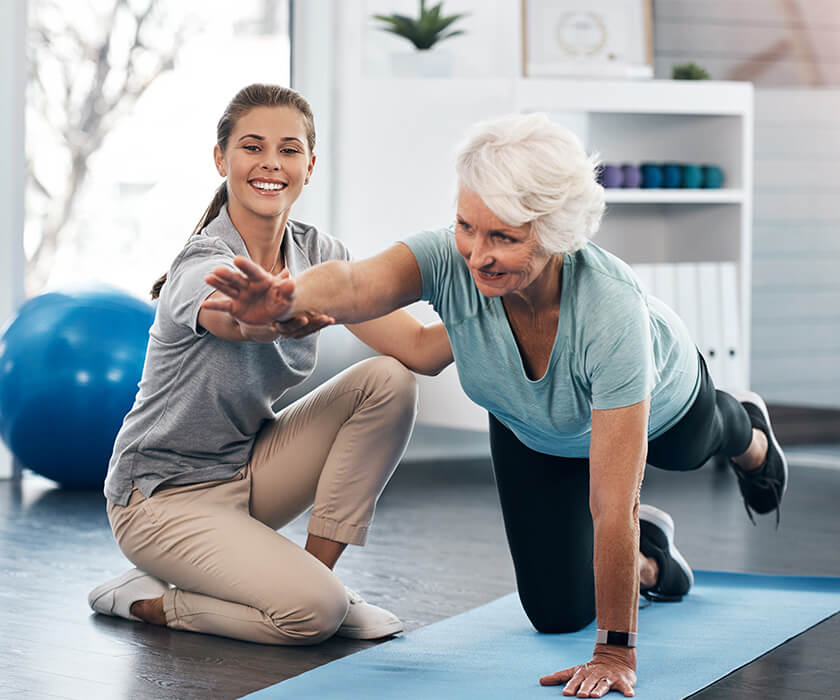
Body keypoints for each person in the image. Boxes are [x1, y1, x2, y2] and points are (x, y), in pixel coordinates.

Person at [203, 112, 788, 697]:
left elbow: (613, 505)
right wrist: (286, 298)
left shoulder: (611, 313)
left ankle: (750, 431)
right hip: (532, 426)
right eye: (466, 226)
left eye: (504, 237)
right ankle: (651, 561)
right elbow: (358, 285)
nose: (476, 254)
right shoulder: (449, 260)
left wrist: (615, 652)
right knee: (556, 614)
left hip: (663, 404)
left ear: (557, 233)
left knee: (696, 445)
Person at [87, 83, 454, 645]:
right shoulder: (202, 262)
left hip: (247, 472)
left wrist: (507, 299)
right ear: (221, 159)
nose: (271, 164)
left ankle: (315, 578)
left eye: (288, 150)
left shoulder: (321, 255)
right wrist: (266, 317)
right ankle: (150, 601)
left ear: (310, 165)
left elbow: (422, 352)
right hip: (159, 498)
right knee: (311, 618)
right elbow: (236, 321)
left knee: (389, 380)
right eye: (252, 147)